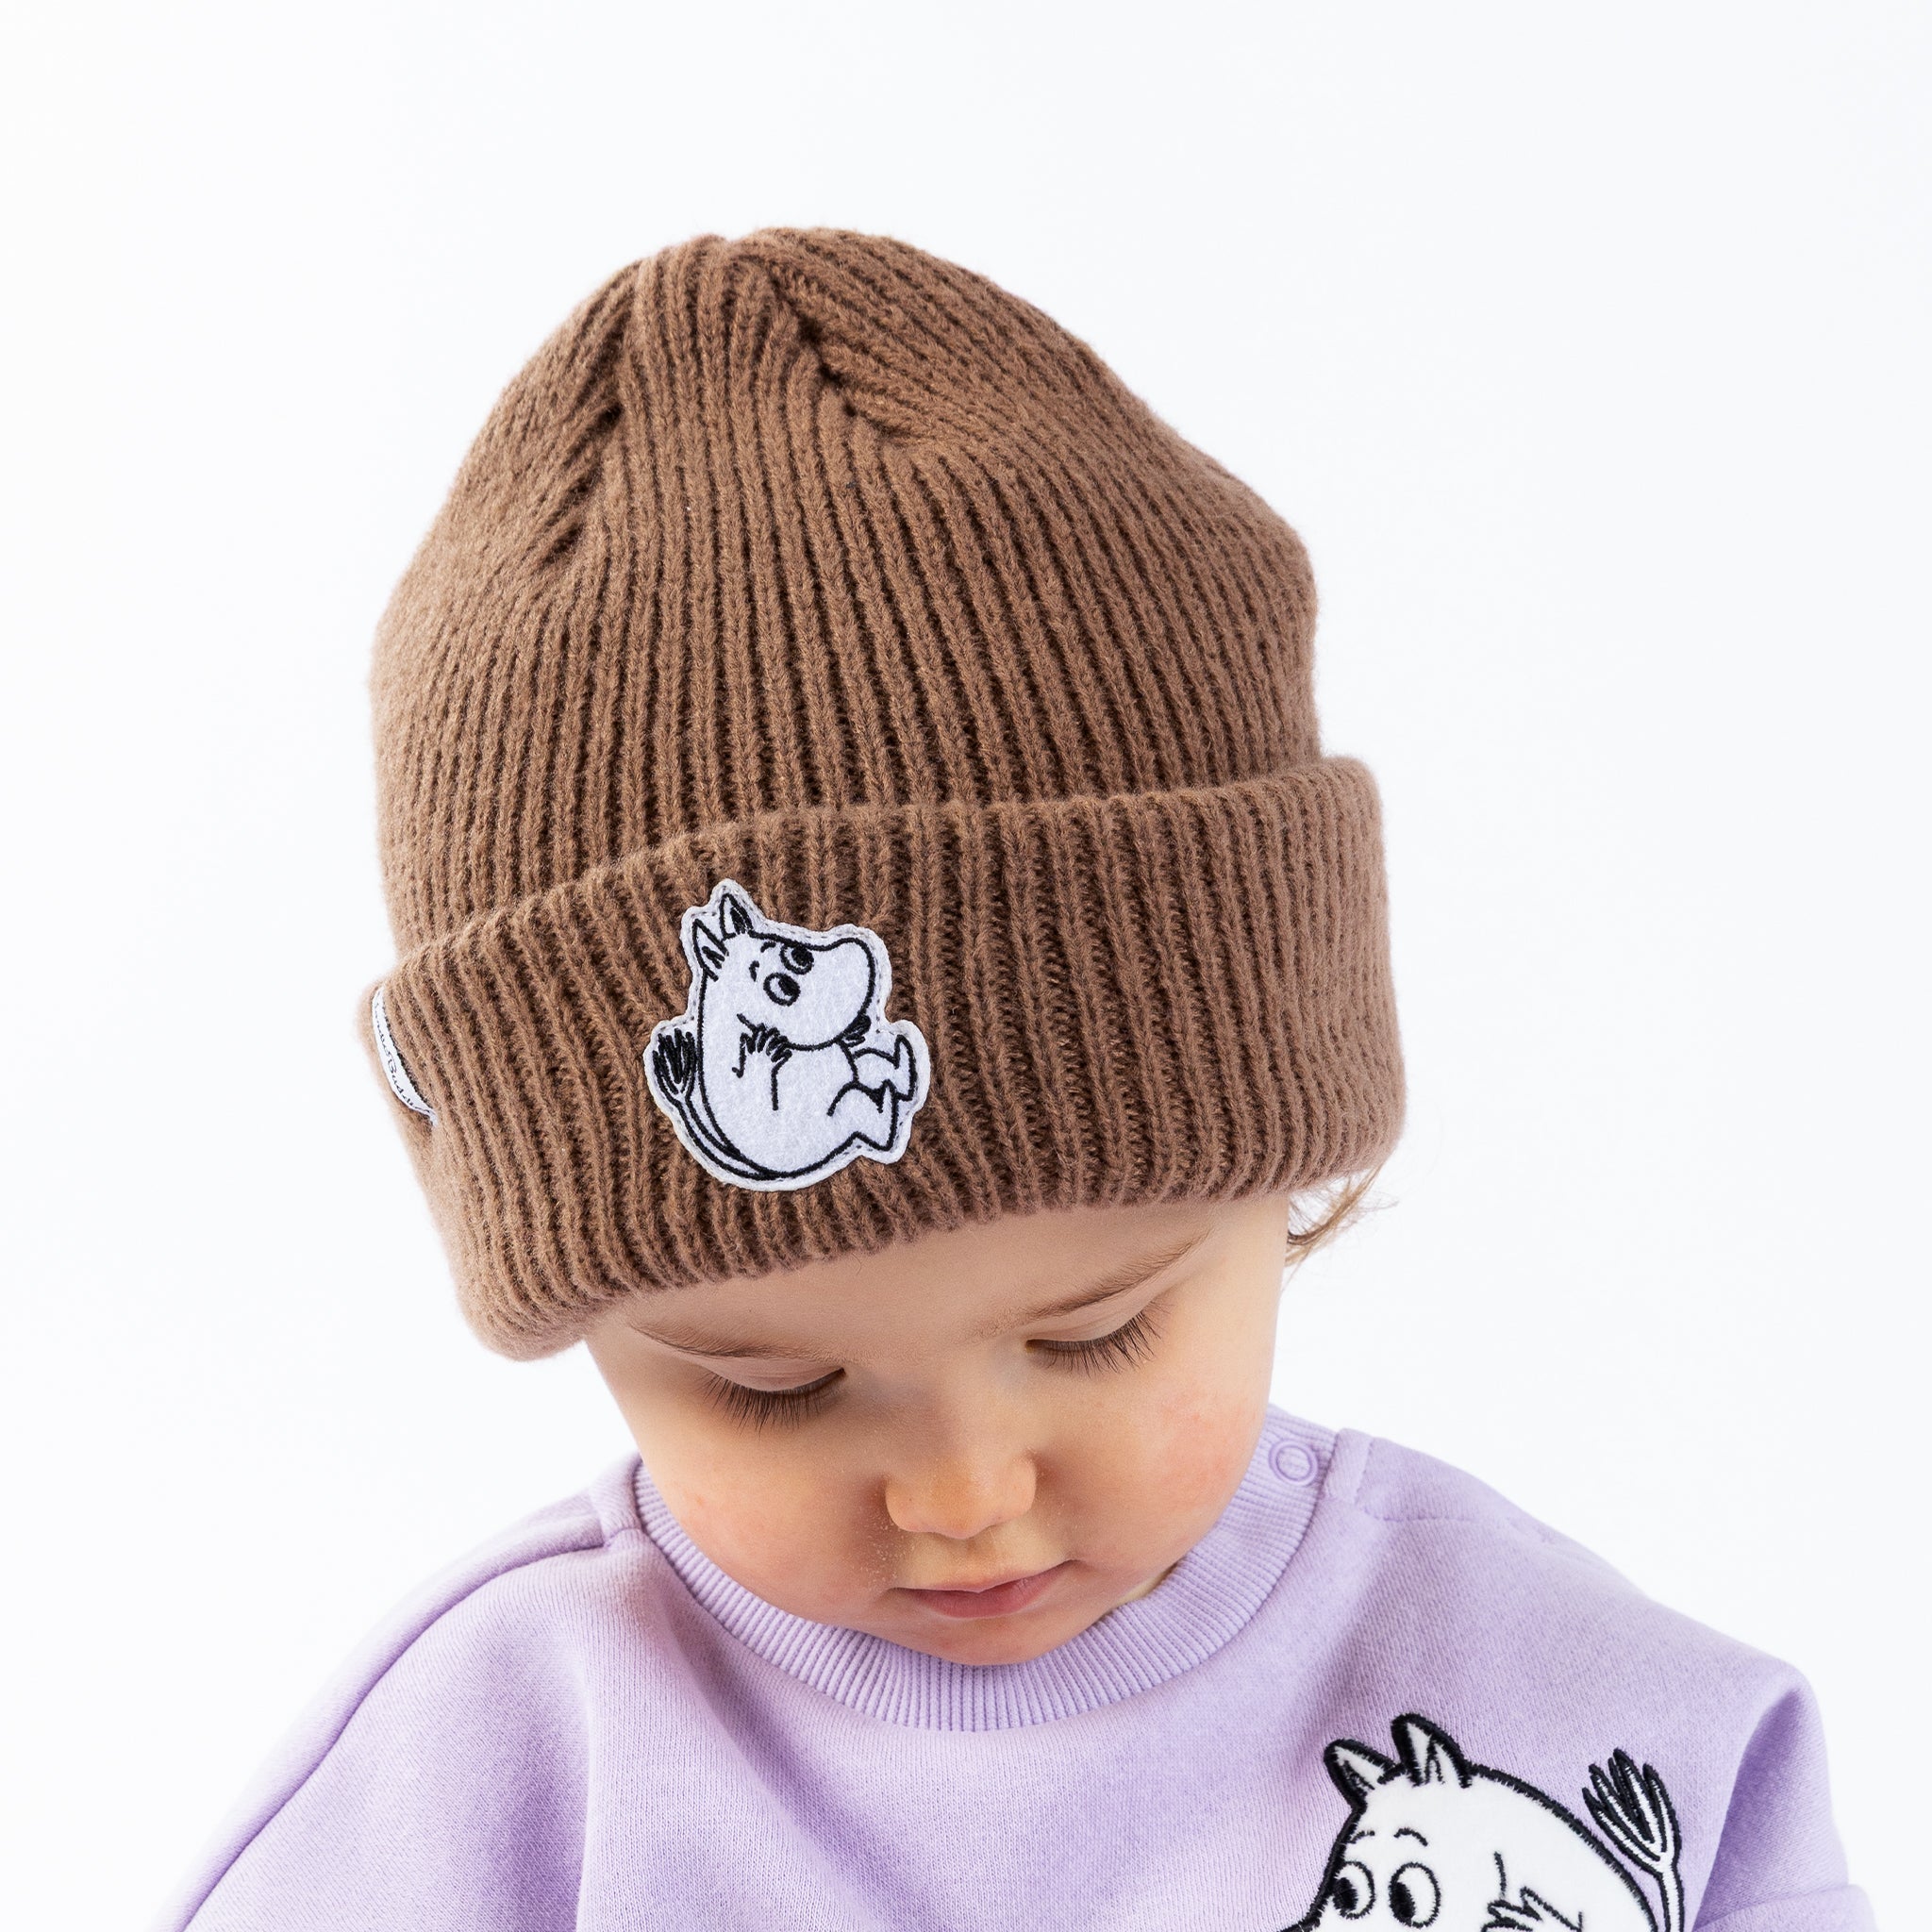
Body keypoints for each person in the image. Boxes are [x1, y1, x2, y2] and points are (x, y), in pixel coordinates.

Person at [151, 227, 1871, 1931]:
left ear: (1286, 1186)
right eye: (774, 1387)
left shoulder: (1567, 1727)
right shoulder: (489, 1784)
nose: (964, 1497)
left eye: (1093, 1332)